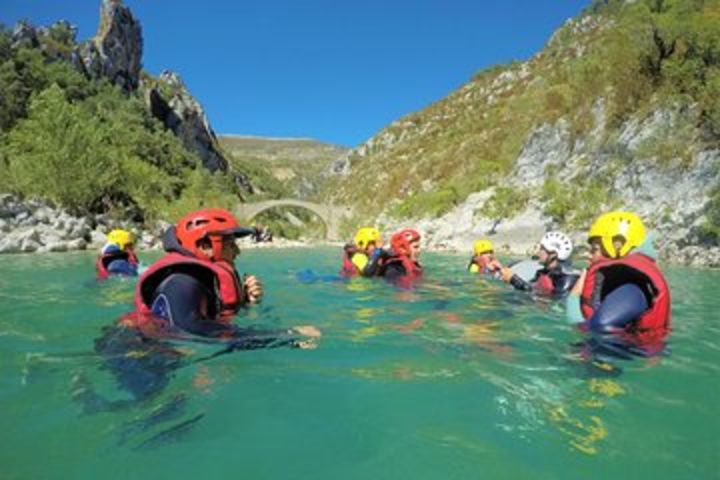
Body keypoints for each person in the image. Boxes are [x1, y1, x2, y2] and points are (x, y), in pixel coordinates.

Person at [124, 208, 320, 345]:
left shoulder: (200, 281)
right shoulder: (181, 282)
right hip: (135, 350)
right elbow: (189, 330)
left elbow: (207, 322)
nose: (237, 252)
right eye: (230, 244)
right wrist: (286, 336)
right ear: (205, 246)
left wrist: (246, 303)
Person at [566, 211, 670, 356]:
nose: (589, 255)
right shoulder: (624, 281)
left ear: (617, 245)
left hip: (613, 364)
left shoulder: (632, 287)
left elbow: (602, 326)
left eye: (594, 250)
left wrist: (573, 304)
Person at [499, 231, 579, 296]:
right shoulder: (543, 272)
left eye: (541, 249)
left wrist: (514, 280)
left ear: (553, 254)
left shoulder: (567, 278)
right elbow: (531, 289)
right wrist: (509, 279)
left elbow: (555, 301)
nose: (537, 253)